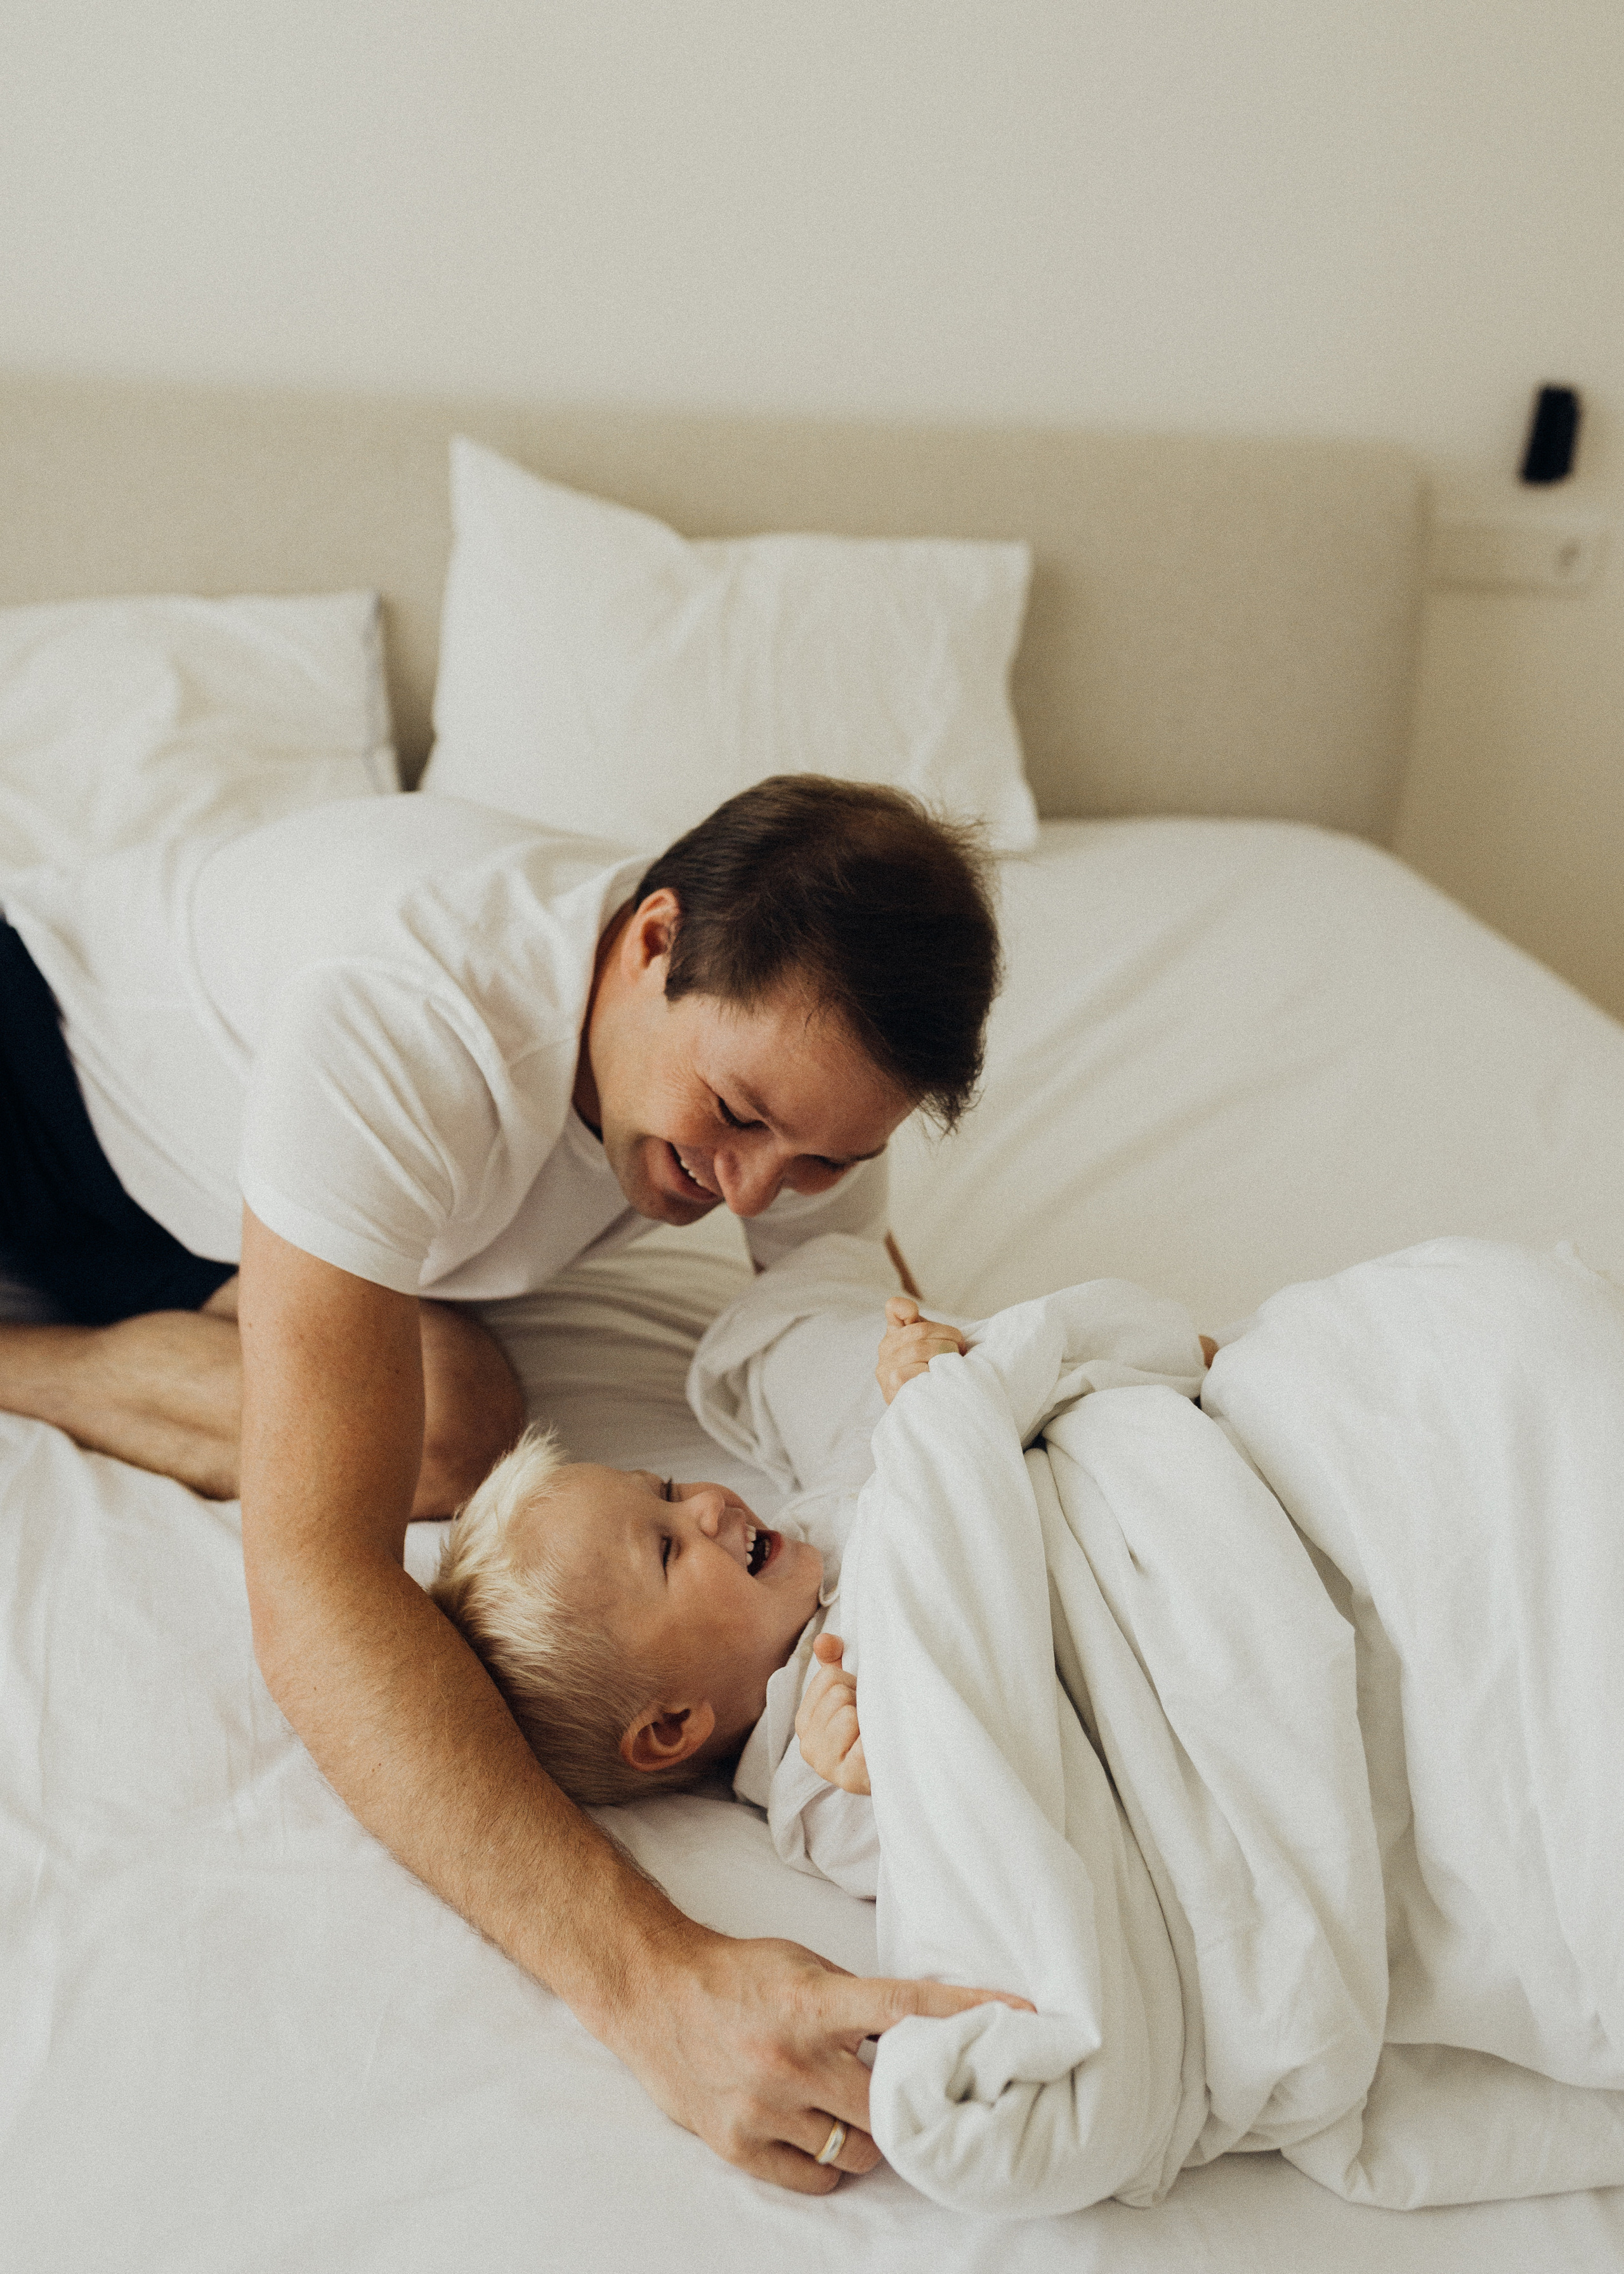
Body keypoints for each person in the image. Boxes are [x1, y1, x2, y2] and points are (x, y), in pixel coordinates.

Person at [0, 774, 1016, 2190]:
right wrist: (656, 1985)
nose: (744, 1195)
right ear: (652, 941)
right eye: (730, 1116)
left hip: (207, 1203)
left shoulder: (803, 1065)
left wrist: (1004, 1428)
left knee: (460, 1418)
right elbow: (318, 1591)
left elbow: (848, 1303)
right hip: (38, 1066)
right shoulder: (411, 1015)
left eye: (818, 1160)